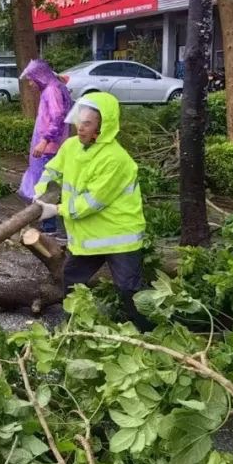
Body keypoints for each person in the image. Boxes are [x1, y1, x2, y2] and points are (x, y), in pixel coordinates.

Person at [34, 91, 151, 330]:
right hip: (90, 239)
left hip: (120, 238)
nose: (80, 128)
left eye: (87, 123)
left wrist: (55, 209)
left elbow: (91, 202)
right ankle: (73, 329)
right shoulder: (71, 147)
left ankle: (146, 334)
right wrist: (41, 189)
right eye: (79, 121)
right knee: (72, 282)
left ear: (102, 126)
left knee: (130, 290)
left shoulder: (115, 159)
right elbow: (53, 170)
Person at [18, 59, 73, 234]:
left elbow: (57, 118)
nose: (30, 83)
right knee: (48, 184)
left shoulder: (52, 91)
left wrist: (44, 141)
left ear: (40, 76)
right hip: (52, 147)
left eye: (31, 79)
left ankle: (49, 226)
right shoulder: (55, 88)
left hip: (49, 149)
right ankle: (49, 224)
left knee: (46, 185)